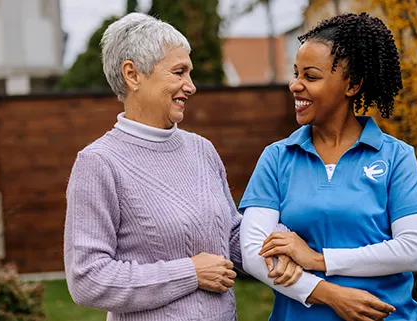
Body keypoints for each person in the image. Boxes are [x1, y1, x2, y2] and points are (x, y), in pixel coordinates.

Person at [63, 12, 302, 321]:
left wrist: (286, 240)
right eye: (179, 72)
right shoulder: (99, 164)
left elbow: (230, 237)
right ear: (132, 75)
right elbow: (88, 279)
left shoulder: (201, 149)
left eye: (189, 73)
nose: (191, 86)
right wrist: (189, 273)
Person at [240, 13, 417, 321]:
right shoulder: (277, 158)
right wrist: (329, 294)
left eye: (310, 77)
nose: (294, 85)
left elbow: (412, 250)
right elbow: (252, 254)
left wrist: (318, 259)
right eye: (295, 74)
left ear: (352, 85)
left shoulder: (396, 157)